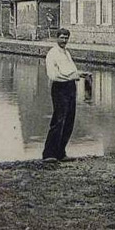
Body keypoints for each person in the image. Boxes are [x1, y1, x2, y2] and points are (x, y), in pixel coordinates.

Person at [42, 29, 87, 163]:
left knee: (69, 121)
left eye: (66, 38)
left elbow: (70, 70)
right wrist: (72, 76)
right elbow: (53, 75)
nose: (64, 40)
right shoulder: (52, 54)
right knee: (59, 120)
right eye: (62, 38)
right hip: (60, 88)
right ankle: (49, 153)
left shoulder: (66, 53)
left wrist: (79, 74)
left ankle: (61, 152)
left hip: (71, 87)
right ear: (57, 38)